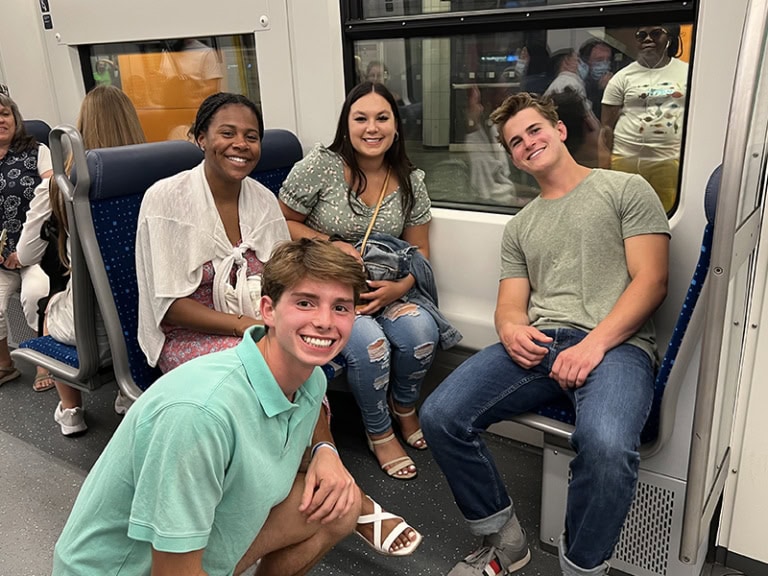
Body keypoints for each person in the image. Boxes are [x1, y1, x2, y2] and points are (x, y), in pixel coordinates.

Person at [136, 91, 422, 555]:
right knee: (268, 371)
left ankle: (322, 466)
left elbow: (281, 278)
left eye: (251, 136)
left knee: (299, 358)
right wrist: (247, 327)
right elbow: (168, 308)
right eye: (227, 133)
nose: (240, 144)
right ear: (201, 137)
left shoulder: (262, 199)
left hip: (256, 318)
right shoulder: (166, 199)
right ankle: (346, 494)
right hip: (192, 330)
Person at [421, 92, 670, 576]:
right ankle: (506, 542)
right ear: (512, 157)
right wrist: (511, 331)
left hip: (617, 345)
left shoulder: (626, 189)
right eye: (515, 142)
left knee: (606, 446)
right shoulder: (520, 225)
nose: (527, 143)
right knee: (441, 415)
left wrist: (594, 344)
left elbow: (652, 281)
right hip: (541, 344)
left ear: (558, 130)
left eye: (534, 130)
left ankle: (580, 569)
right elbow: (510, 307)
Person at [53, 238, 368, 576]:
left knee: (341, 507)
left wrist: (325, 450)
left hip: (191, 551)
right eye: (305, 303)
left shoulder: (310, 381)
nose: (324, 321)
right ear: (268, 310)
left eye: (340, 307)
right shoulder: (200, 414)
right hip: (128, 569)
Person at [279, 81, 461, 481]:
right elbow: (282, 222)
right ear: (346, 125)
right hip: (328, 285)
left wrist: (398, 289)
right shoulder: (320, 167)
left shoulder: (411, 180)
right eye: (361, 118)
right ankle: (379, 430)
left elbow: (419, 251)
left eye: (382, 118)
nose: (372, 128)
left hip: (387, 286)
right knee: (369, 343)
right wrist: (331, 244)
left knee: (421, 332)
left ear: (396, 127)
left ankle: (404, 407)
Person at [16, 85, 146, 430]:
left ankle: (71, 411)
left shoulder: (62, 184)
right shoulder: (159, 174)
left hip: (95, 338)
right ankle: (124, 388)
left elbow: (28, 252)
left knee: (51, 303)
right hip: (145, 324)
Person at [601, 25, 688, 212]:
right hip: (625, 159)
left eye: (656, 33)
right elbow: (606, 128)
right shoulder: (622, 77)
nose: (648, 39)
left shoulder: (687, 72)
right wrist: (602, 172)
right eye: (642, 35)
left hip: (669, 161)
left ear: (670, 38)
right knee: (623, 213)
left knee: (664, 215)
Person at [0, 93, 53, 388]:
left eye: (4, 114)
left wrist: (23, 251)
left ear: (15, 118)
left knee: (36, 294)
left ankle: (45, 362)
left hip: (37, 250)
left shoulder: (37, 150)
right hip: (1, 258)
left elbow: (52, 190)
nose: (0, 120)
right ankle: (5, 365)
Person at [578, 39, 614, 119]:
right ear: (586, 62)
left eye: (608, 60)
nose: (604, 64)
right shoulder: (579, 84)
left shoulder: (615, 81)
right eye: (599, 60)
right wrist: (601, 91)